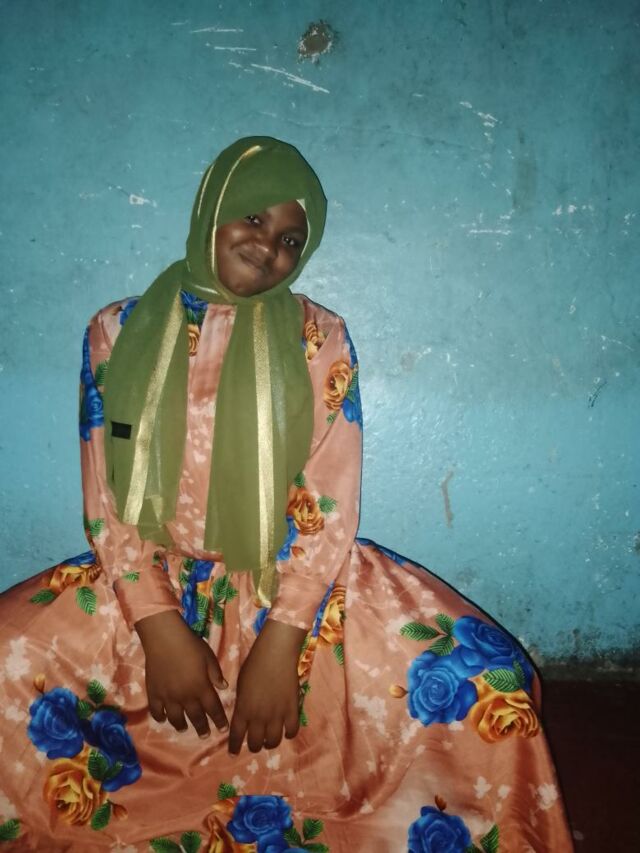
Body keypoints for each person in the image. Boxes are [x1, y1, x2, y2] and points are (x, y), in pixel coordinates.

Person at [0, 137, 573, 851]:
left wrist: (281, 641)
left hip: (296, 589)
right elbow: (106, 498)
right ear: (211, 209)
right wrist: (158, 627)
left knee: (493, 681)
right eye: (253, 217)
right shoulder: (115, 332)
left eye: (291, 239)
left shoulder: (317, 336)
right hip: (146, 583)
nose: (268, 246)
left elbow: (329, 498)